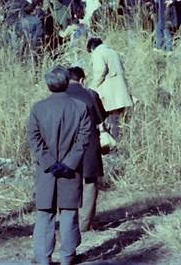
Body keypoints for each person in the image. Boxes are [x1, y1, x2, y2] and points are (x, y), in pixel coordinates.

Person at [27, 65, 92, 265]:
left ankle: (43, 258)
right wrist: (68, 164)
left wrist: (48, 162)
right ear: (67, 82)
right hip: (70, 170)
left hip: (47, 171)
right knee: (69, 213)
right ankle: (67, 257)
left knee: (45, 214)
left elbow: (34, 139)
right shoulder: (80, 107)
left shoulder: (38, 108)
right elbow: (83, 139)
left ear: (48, 85)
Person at [64, 67, 107, 233]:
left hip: (66, 145)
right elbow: (101, 117)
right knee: (89, 184)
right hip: (89, 144)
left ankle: (69, 222)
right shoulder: (90, 94)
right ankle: (84, 224)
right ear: (82, 80)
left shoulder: (60, 96)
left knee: (68, 183)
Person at [86, 37, 134, 138]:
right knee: (121, 119)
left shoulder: (98, 53)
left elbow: (100, 70)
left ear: (92, 48)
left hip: (111, 91)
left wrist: (93, 86)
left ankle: (115, 144)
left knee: (113, 120)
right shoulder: (113, 52)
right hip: (121, 90)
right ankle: (124, 141)